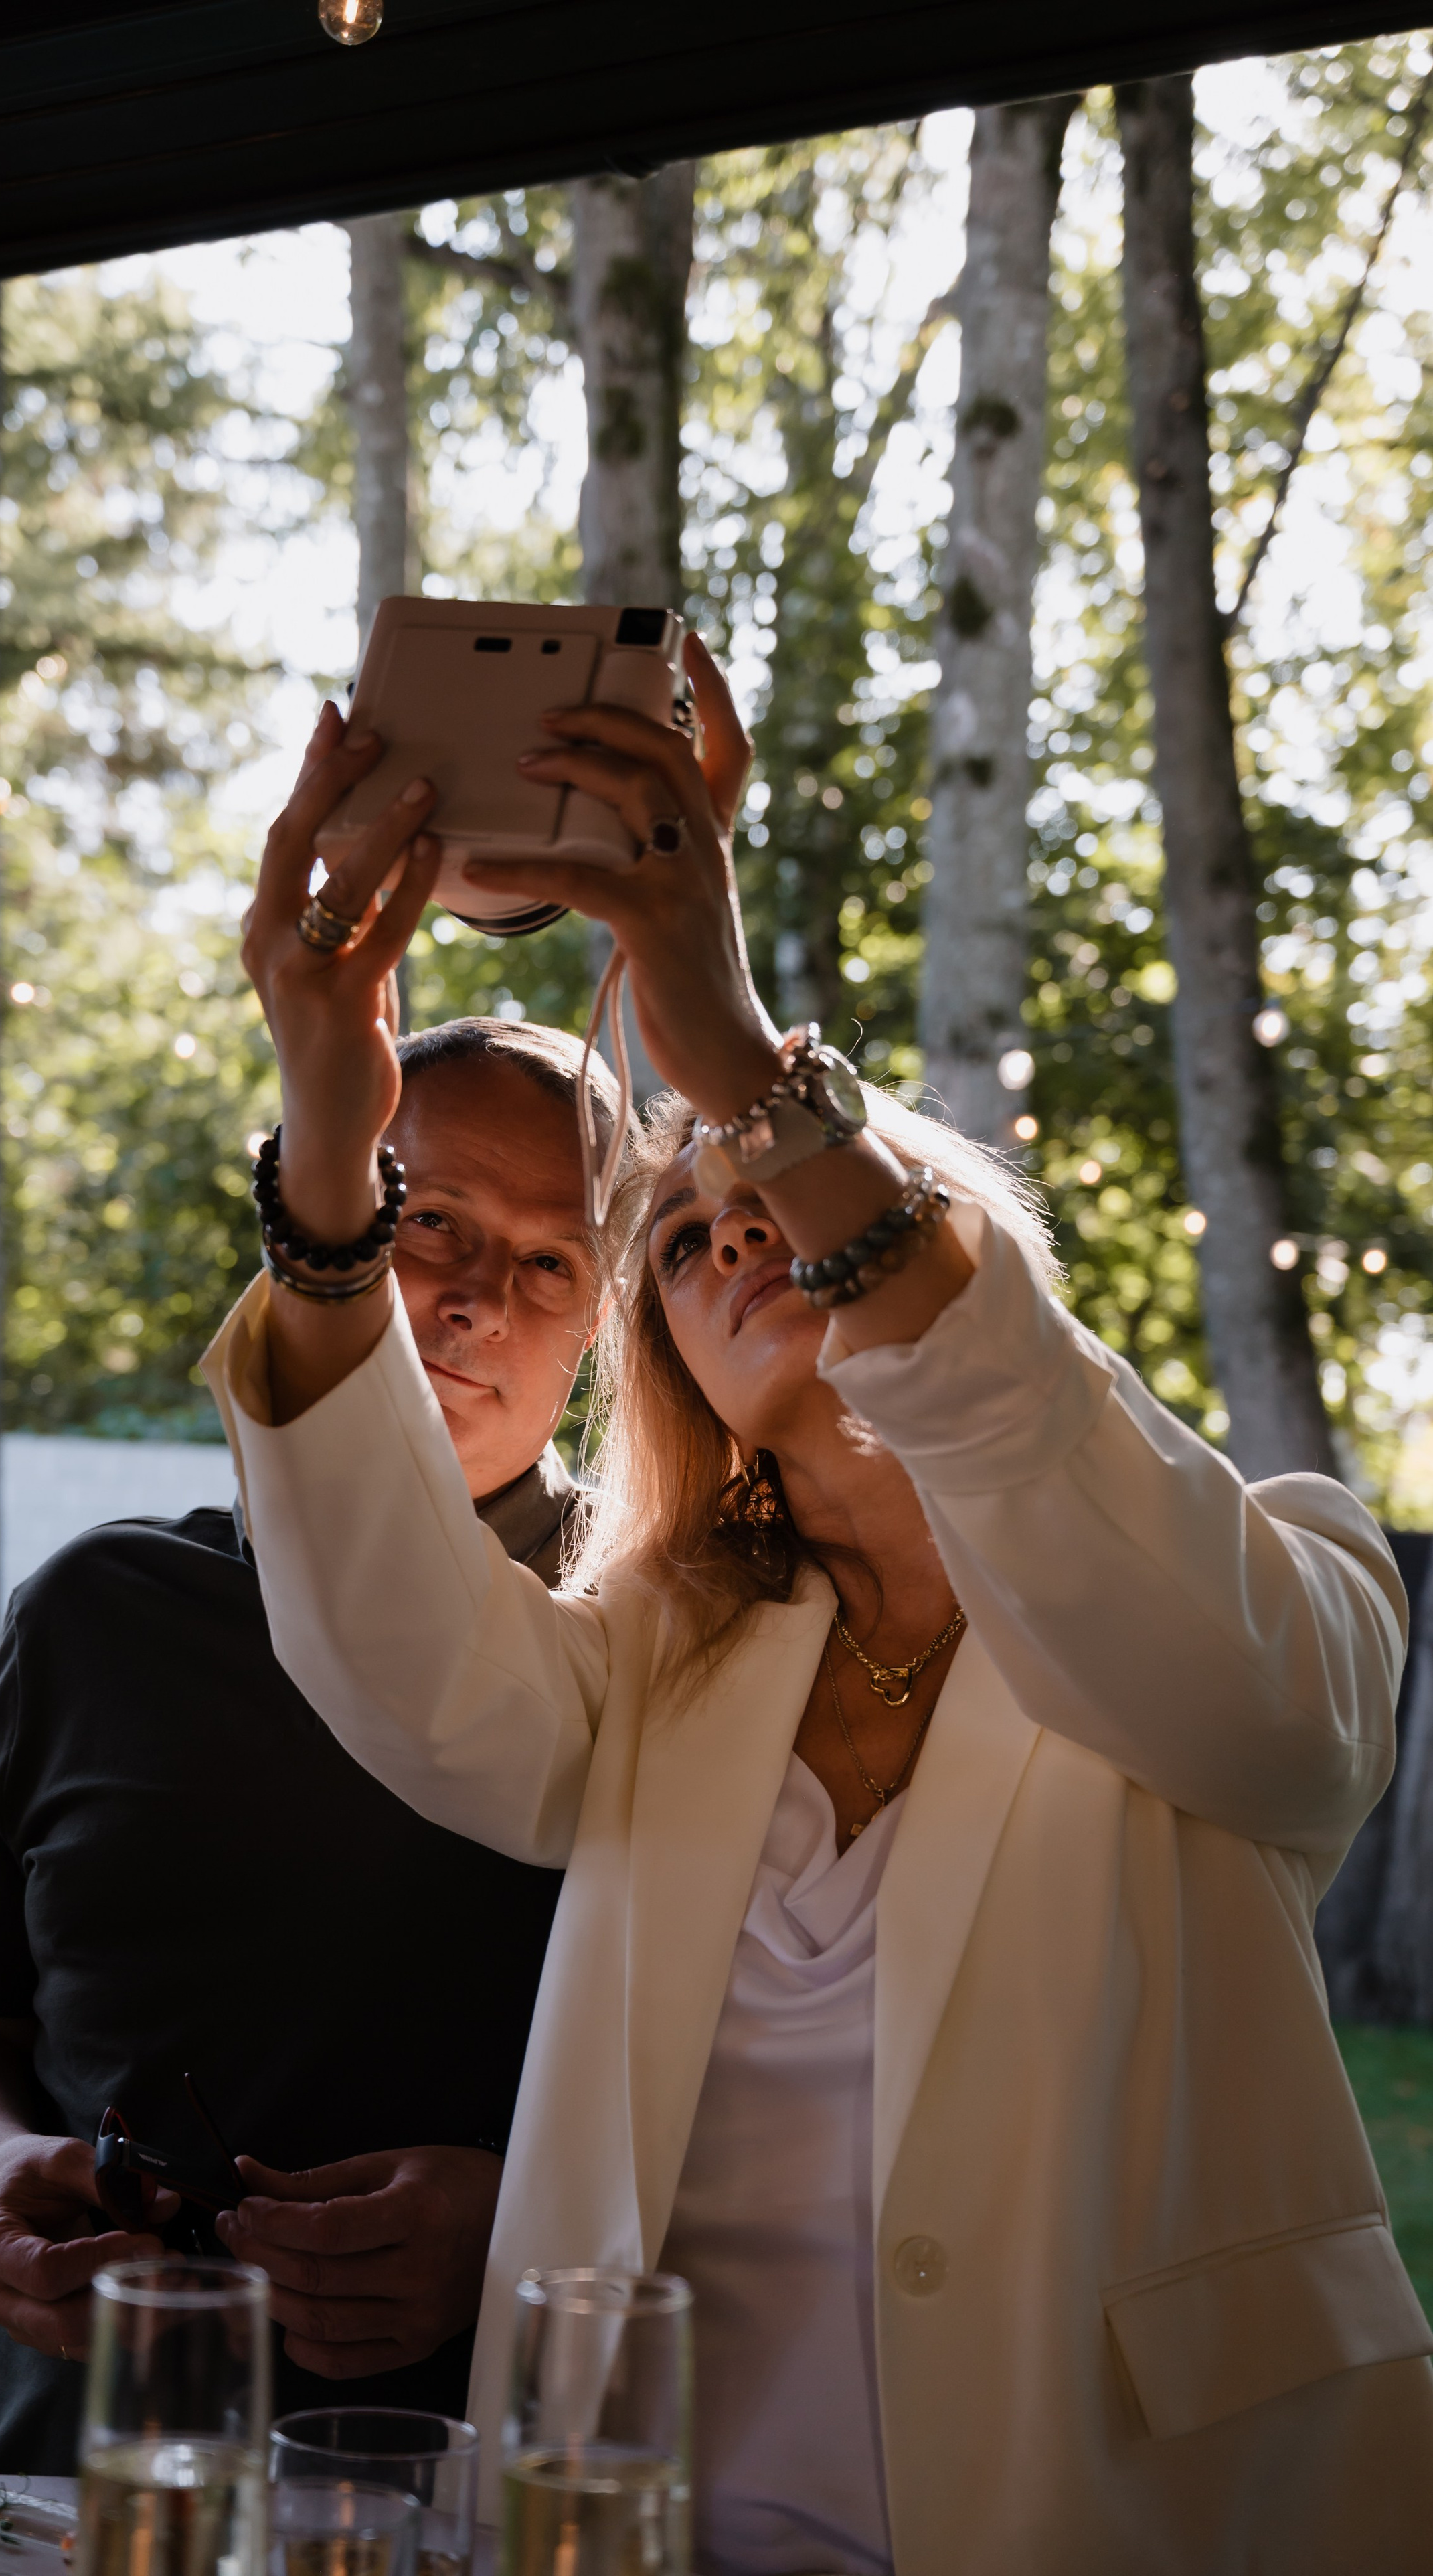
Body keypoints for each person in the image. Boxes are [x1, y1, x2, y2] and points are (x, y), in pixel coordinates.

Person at [202, 638, 1433, 2575]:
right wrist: (333, 1127)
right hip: (639, 2530)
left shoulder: (1281, 1573)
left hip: (1137, 2525)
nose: (734, 1222)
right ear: (683, 1371)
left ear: (928, 1232)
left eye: (770, 1185)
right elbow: (402, 1673)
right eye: (680, 1240)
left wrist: (742, 1062)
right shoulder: (664, 1666)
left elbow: (1245, 1683)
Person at [0, 992, 626, 2473]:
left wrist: (517, 2216)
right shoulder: (101, 1609)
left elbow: (789, 2112)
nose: (478, 1300)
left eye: (550, 1261)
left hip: (477, 2500)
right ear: (315, 1212)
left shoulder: (662, 1637)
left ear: (599, 1325)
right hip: (71, 2494)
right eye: (434, 1222)